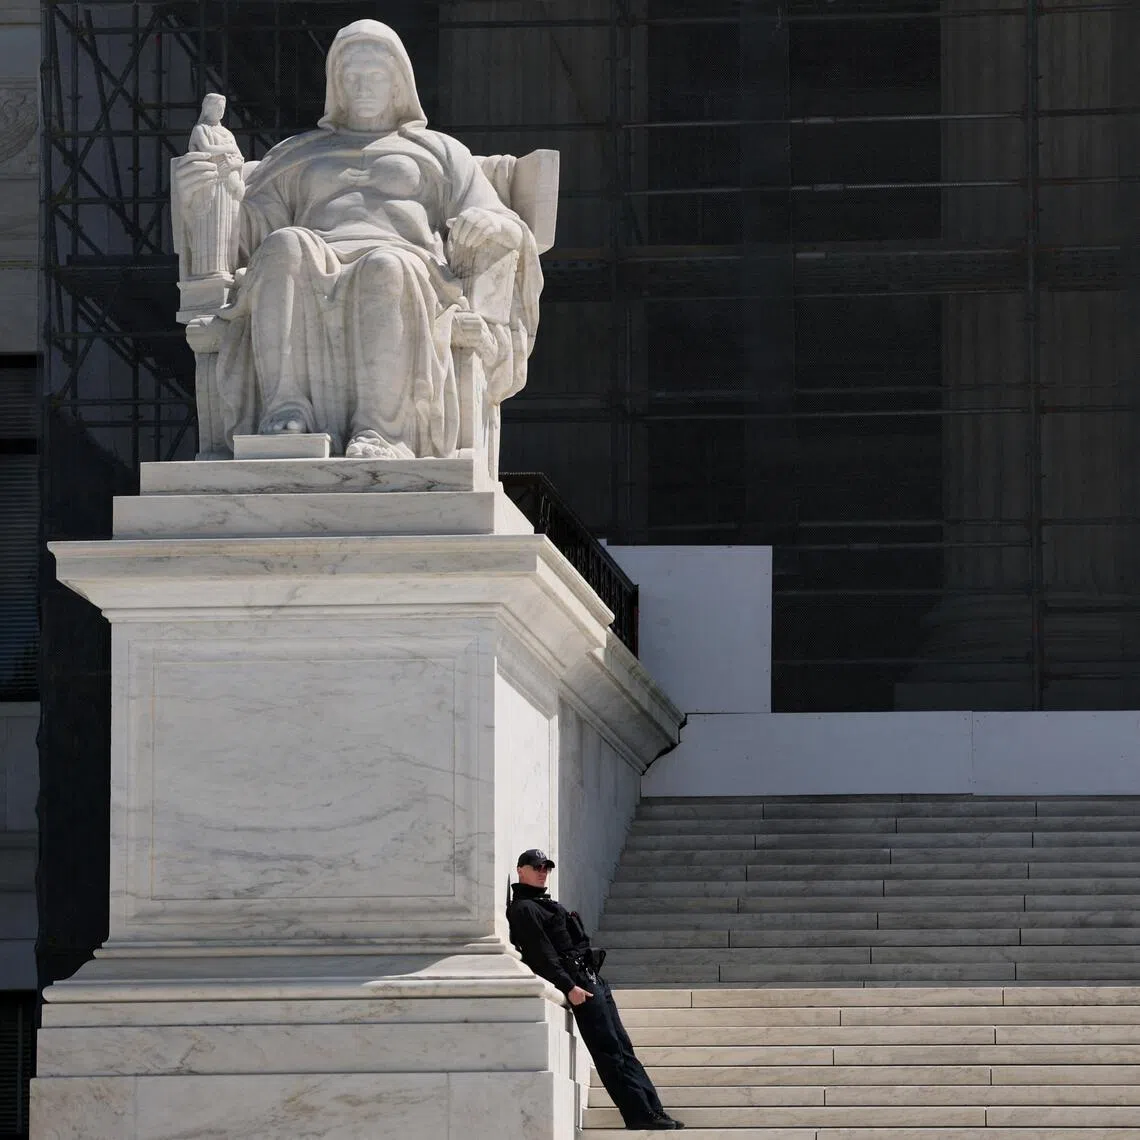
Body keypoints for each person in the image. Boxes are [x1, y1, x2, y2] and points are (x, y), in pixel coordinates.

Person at [183, 19, 542, 458]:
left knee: (384, 266)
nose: (364, 86)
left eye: (375, 76)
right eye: (352, 77)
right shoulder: (297, 153)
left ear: (398, 85)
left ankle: (382, 432)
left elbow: (501, 220)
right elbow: (249, 235)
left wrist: (492, 224)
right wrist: (211, 186)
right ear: (336, 85)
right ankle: (287, 413)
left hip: (409, 264)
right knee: (283, 246)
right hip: (310, 258)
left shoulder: (439, 152)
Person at [507, 849, 686, 1131]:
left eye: (546, 867)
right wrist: (569, 987)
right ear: (521, 870)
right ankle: (638, 1114)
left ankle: (653, 1109)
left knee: (623, 1047)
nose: (543, 871)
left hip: (593, 979)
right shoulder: (524, 909)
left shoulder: (546, 904)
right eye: (536, 866)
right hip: (580, 985)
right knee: (609, 1051)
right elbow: (542, 956)